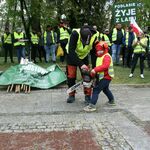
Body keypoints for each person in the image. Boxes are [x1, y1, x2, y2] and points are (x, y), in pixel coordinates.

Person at [66, 25, 97, 103]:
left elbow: (94, 53)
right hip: (72, 56)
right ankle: (71, 94)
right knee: (71, 76)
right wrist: (80, 64)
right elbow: (71, 51)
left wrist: (94, 68)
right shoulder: (75, 34)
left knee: (87, 76)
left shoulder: (94, 36)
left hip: (84, 56)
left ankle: (87, 96)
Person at [83, 41, 115, 112]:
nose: (98, 51)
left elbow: (105, 66)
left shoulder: (106, 56)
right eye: (97, 50)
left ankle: (92, 105)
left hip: (107, 77)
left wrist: (95, 69)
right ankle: (111, 101)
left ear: (104, 49)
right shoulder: (99, 57)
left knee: (96, 90)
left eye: (100, 50)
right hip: (103, 77)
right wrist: (93, 73)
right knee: (105, 89)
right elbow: (98, 69)